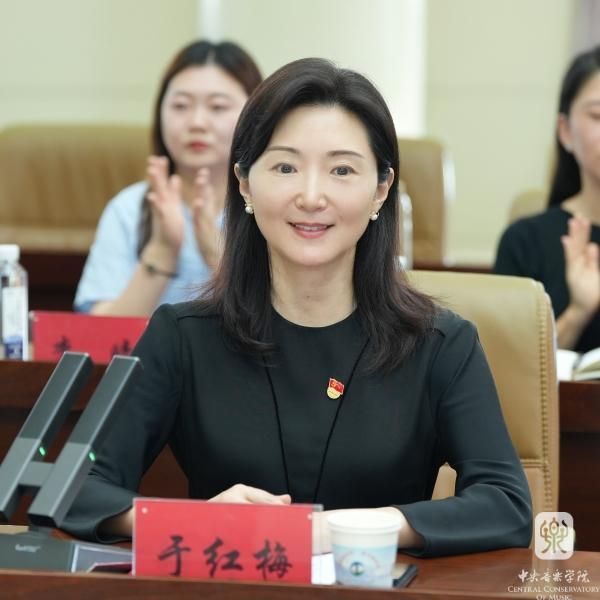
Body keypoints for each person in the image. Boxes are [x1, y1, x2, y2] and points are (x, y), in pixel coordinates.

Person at [62, 58, 532, 557]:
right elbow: (75, 490)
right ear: (244, 182)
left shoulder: (440, 344)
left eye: (342, 170)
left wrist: (342, 529)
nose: (311, 196)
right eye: (285, 167)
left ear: (380, 190)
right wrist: (196, 521)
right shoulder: (182, 336)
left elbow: (506, 505)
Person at [73, 40, 262, 316]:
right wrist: (162, 251)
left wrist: (216, 255)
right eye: (181, 105)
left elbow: (279, 325)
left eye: (218, 107)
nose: (197, 122)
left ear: (255, 116)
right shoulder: (129, 209)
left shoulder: (270, 207)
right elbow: (99, 330)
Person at [495, 46, 600, 352]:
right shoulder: (524, 242)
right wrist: (578, 312)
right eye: (598, 115)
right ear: (565, 131)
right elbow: (512, 367)